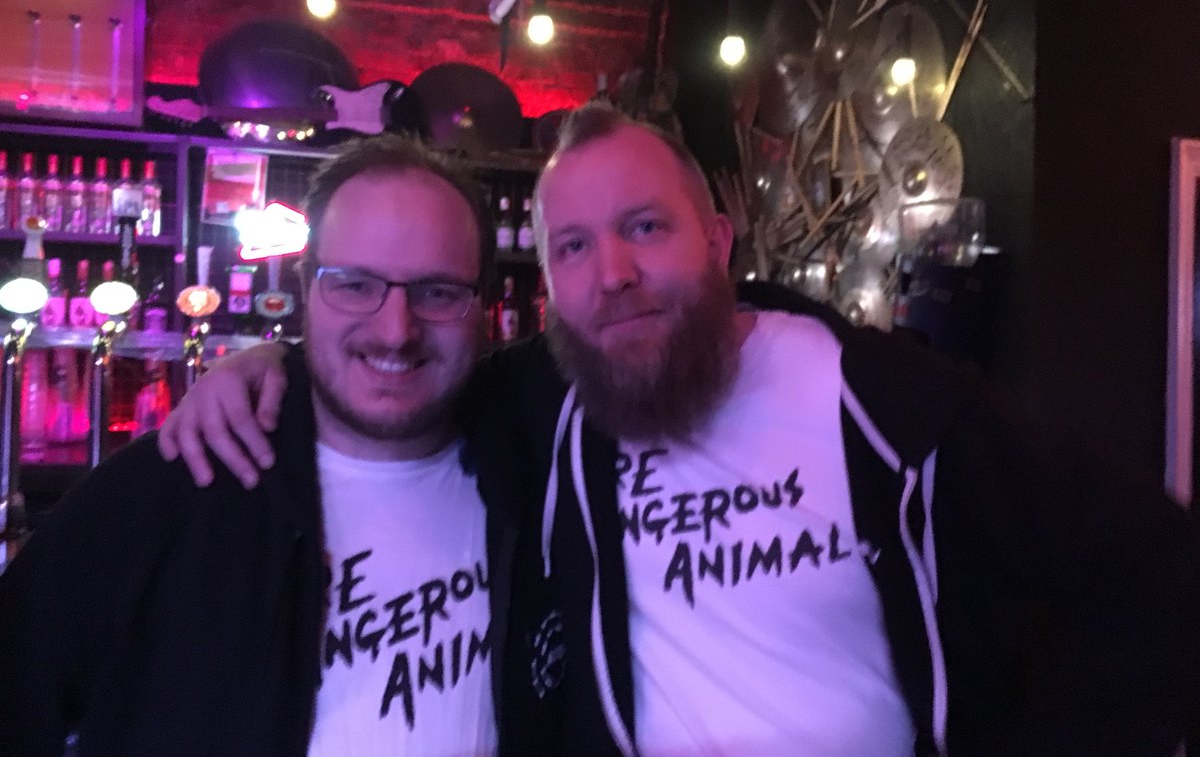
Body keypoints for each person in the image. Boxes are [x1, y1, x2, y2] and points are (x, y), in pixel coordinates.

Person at [161, 105, 1200, 755]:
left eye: (644, 229)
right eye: (572, 246)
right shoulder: (548, 399)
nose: (610, 272)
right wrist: (271, 365)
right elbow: (395, 358)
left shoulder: (881, 397)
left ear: (716, 239)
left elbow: (1150, 566)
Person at [0, 136, 500, 755]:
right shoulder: (176, 481)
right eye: (353, 285)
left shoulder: (537, 480)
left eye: (438, 292)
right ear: (305, 287)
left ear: (482, 305)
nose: (396, 330)